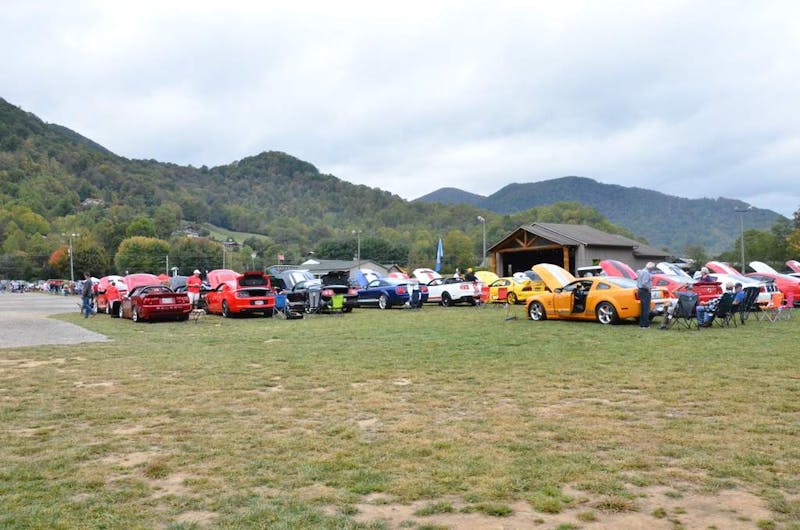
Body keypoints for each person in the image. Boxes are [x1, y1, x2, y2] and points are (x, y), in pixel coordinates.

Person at [636, 262, 654, 328]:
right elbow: (644, 283)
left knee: (643, 308)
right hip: (645, 291)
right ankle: (646, 325)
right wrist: (649, 288)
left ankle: (642, 324)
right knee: (646, 309)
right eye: (652, 268)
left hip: (640, 290)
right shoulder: (646, 273)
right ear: (651, 268)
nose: (652, 269)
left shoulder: (641, 271)